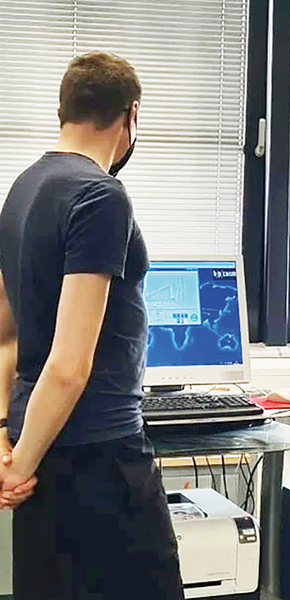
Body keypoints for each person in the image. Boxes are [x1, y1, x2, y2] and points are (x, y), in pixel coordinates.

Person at [0, 52, 184, 599]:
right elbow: (70, 365)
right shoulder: (100, 195)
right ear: (132, 114)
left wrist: (9, 446)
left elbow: (7, 335)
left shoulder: (23, 189)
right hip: (100, 460)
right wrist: (16, 469)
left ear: (65, 109)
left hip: (41, 455)